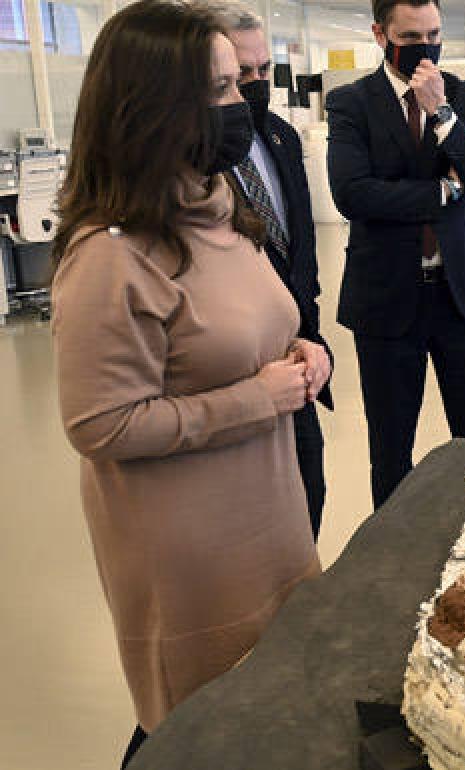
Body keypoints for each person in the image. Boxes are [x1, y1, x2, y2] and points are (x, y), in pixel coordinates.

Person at [50, 1, 322, 764]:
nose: (241, 106)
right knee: (198, 728)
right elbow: (100, 425)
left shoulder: (219, 206)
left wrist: (302, 348)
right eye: (220, 90)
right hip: (191, 549)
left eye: (240, 83)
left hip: (272, 515)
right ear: (153, 108)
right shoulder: (111, 256)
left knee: (273, 700)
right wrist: (255, 398)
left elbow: (250, 326)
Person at [327, 0, 465, 508]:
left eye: (433, 33)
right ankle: (388, 565)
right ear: (380, 35)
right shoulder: (351, 103)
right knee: (390, 451)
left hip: (463, 295)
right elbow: (353, 194)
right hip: (386, 297)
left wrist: (443, 115)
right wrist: (445, 192)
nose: (424, 47)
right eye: (410, 37)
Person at [204, 1, 333, 540]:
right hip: (237, 372)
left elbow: (299, 244)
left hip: (298, 359)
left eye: (263, 72)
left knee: (310, 498)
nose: (255, 86)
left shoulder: (281, 137)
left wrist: (310, 328)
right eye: (239, 76)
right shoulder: (198, 165)